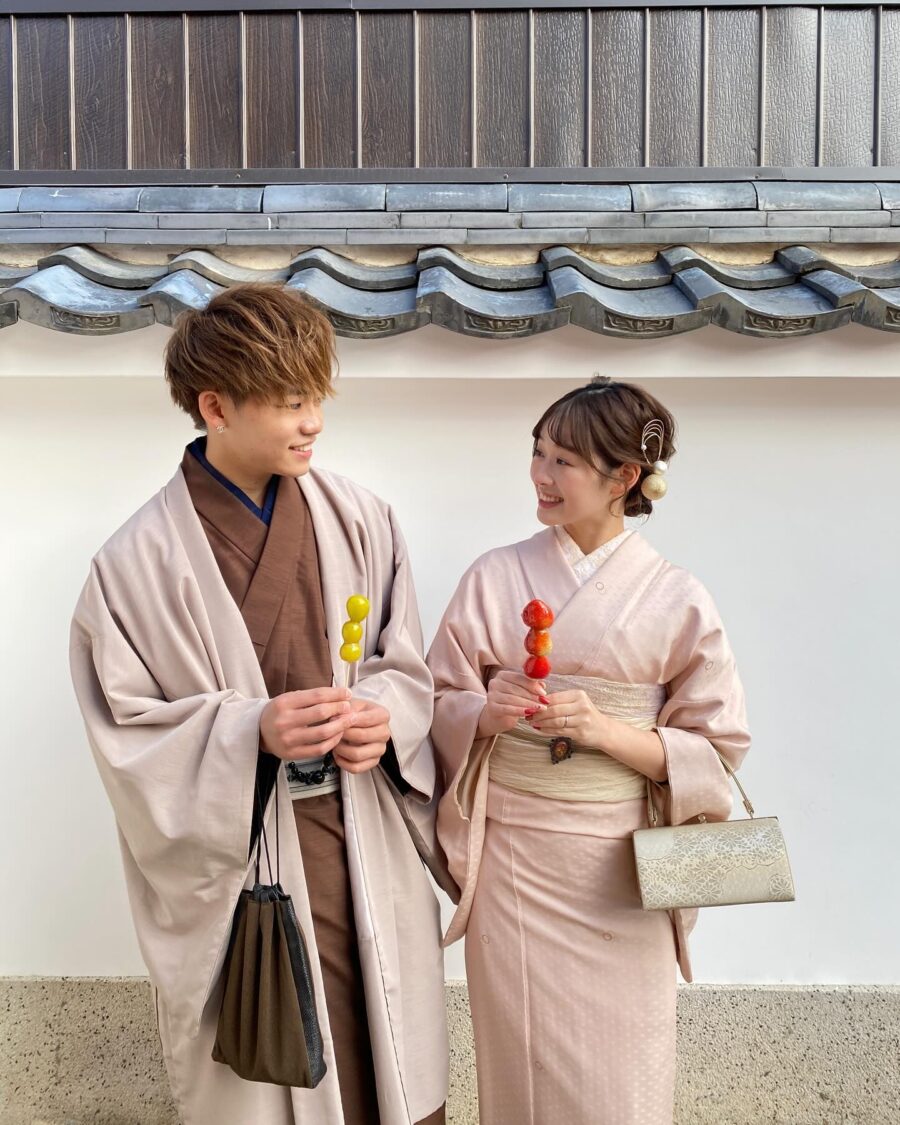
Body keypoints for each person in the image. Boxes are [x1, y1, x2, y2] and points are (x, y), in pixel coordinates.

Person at [70, 284, 449, 1125]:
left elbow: (404, 664)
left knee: (385, 1057)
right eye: (290, 402)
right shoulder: (135, 562)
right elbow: (128, 734)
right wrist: (249, 730)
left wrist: (383, 715)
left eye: (318, 398)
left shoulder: (361, 518)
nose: (314, 421)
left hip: (361, 833)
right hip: (248, 867)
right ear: (216, 406)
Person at [427, 376, 751, 1125]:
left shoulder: (678, 596)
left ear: (624, 477)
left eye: (564, 461)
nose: (541, 474)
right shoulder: (493, 575)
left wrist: (607, 732)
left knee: (623, 1079)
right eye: (538, 452)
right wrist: (482, 714)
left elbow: (717, 748)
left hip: (623, 868)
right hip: (515, 862)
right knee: (524, 1068)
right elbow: (435, 699)